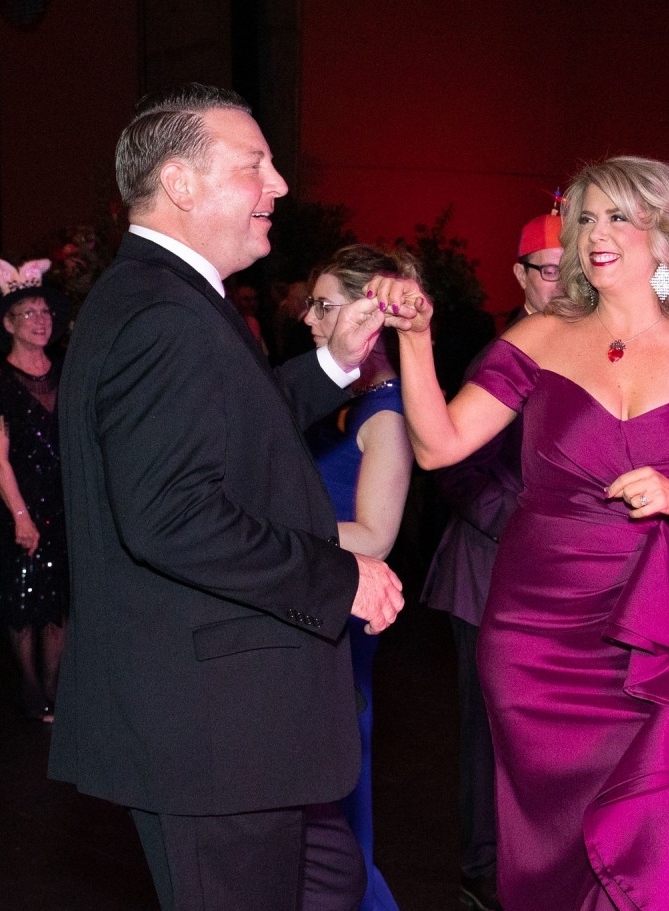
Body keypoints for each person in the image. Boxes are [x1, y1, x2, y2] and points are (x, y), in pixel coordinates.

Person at [48, 84, 403, 911]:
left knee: (330, 876)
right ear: (180, 183)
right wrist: (339, 575)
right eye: (255, 166)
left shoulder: (161, 295)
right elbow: (173, 516)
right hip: (211, 735)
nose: (278, 185)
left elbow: (231, 428)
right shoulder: (164, 315)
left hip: (229, 725)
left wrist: (333, 366)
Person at [384, 155, 669, 910]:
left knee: (653, 834)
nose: (596, 232)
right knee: (550, 851)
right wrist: (418, 338)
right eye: (586, 216)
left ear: (665, 235)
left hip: (648, 633)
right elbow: (437, 446)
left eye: (618, 215)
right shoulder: (538, 337)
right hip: (534, 635)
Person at [418, 207, 561, 911]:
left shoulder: (581, 352)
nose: (561, 284)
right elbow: (453, 468)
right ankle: (482, 864)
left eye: (574, 270)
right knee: (485, 728)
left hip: (552, 580)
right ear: (521, 277)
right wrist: (527, 522)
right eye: (547, 271)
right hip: (487, 572)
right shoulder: (502, 357)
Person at [301, 245, 416, 911]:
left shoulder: (387, 416)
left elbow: (375, 535)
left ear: (369, 318)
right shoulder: (337, 399)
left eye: (325, 305)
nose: (311, 320)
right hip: (314, 607)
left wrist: (272, 531)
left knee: (340, 804)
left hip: (346, 617)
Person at [0, 261, 70, 722]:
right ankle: (31, 688)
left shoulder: (68, 373)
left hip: (63, 502)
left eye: (44, 312)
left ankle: (54, 687)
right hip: (20, 502)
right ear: (9, 324)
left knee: (58, 599)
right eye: (29, 313)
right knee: (21, 597)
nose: (40, 320)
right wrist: (20, 515)